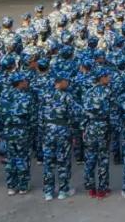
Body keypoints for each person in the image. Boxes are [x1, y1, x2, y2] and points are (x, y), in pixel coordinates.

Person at [40, 73, 80, 201]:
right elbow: (75, 114)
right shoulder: (66, 97)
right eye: (66, 81)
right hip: (62, 131)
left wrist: (43, 130)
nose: (68, 83)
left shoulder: (45, 96)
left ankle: (48, 192)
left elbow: (39, 116)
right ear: (61, 82)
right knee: (63, 161)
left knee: (48, 162)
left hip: (48, 132)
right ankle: (63, 191)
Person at [0, 72, 35, 195]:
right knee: (22, 158)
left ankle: (11, 186)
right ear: (19, 83)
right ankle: (23, 186)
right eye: (24, 80)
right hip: (22, 132)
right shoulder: (26, 97)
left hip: (8, 132)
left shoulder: (4, 96)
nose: (26, 82)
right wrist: (32, 132)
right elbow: (32, 117)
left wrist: (0, 132)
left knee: (10, 159)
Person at [82, 68, 114, 199]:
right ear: (102, 78)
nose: (109, 78)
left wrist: (83, 128)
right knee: (103, 158)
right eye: (107, 76)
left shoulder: (88, 92)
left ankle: (91, 188)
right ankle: (102, 188)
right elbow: (112, 112)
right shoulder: (108, 91)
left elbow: (83, 112)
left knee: (90, 158)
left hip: (90, 127)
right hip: (103, 127)